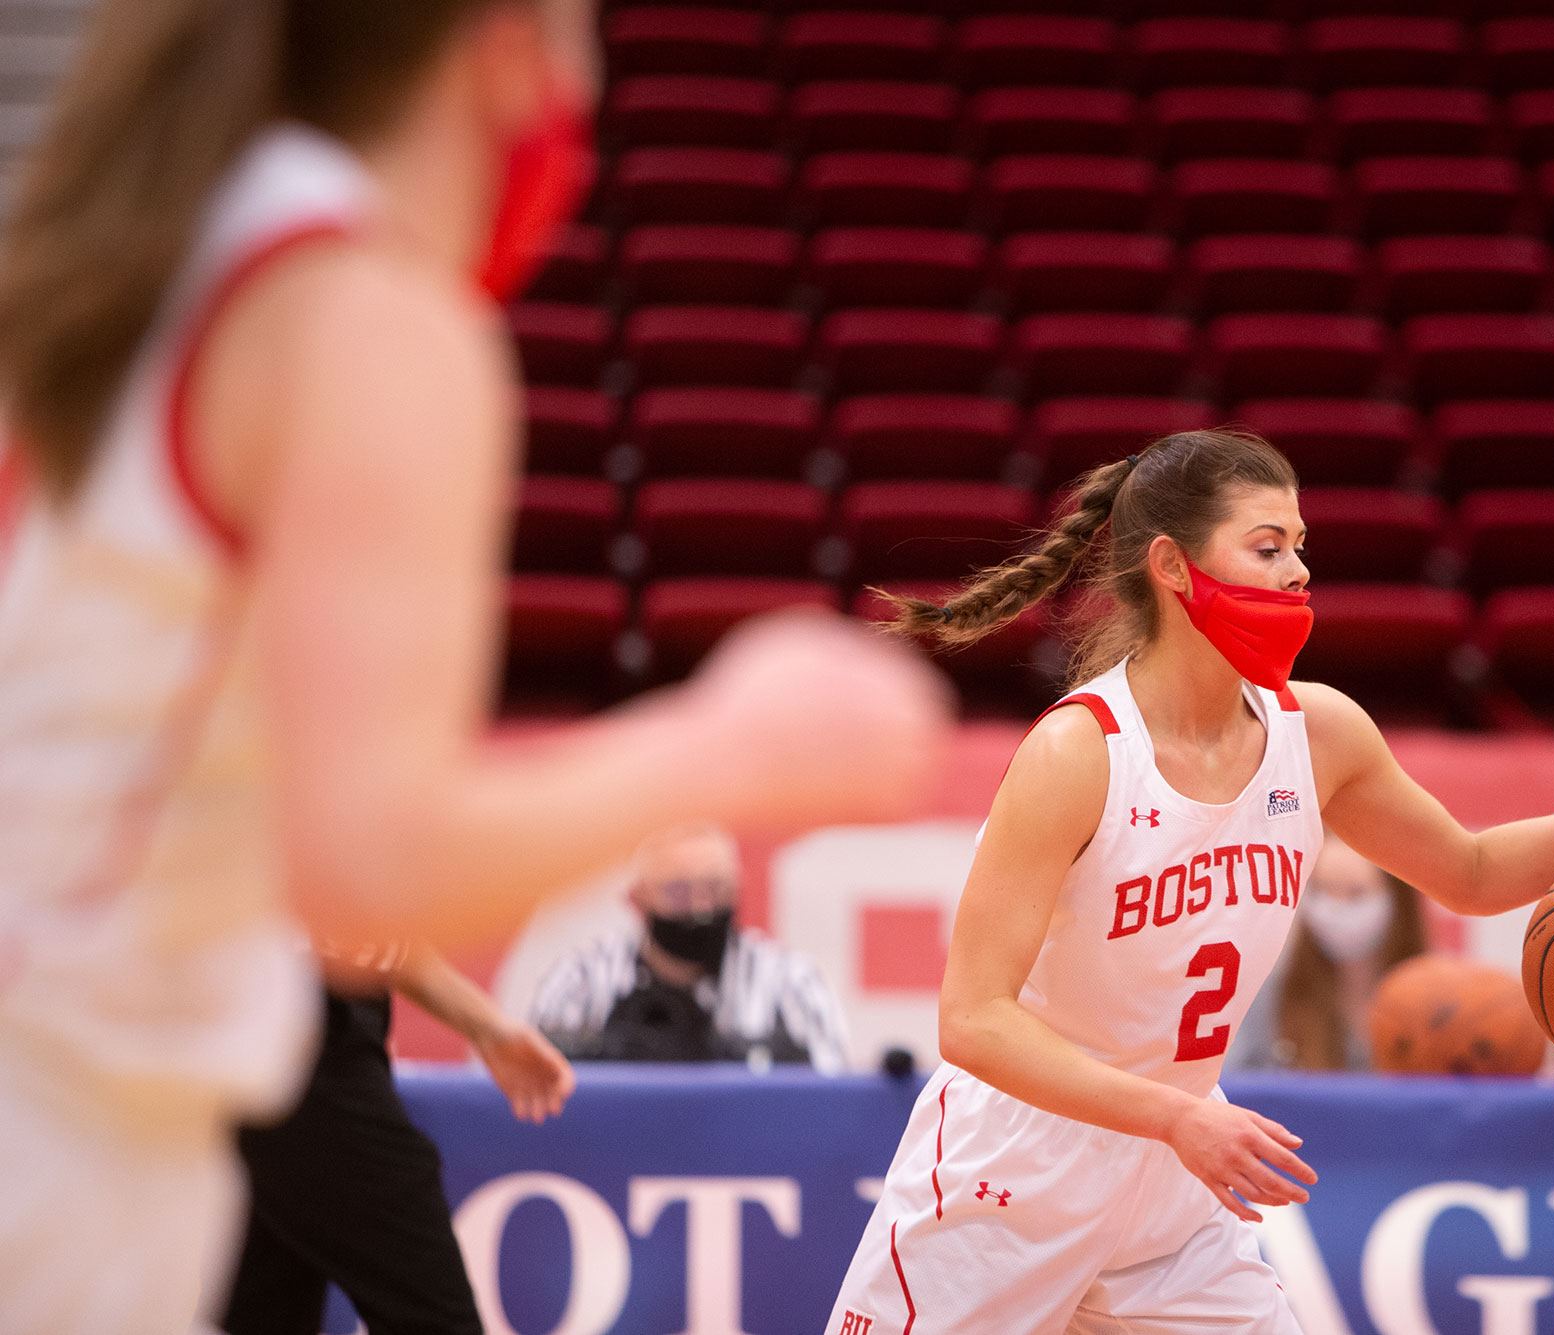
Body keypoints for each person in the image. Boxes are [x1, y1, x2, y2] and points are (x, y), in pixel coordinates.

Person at [0, 2, 946, 1330]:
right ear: (513, 47)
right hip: (66, 1147)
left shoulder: (147, 269)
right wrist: (734, 742)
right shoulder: (363, 314)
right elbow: (366, 868)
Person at [824, 430, 1554, 1335]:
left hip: (1176, 1181)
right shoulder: (1079, 753)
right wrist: (1176, 1115)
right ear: (1174, 567)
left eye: (1300, 547)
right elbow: (973, 1018)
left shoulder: (1319, 732)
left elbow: (1468, 873)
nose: (1299, 570)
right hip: (1017, 1171)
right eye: (1267, 546)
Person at [224, 941, 572, 1335]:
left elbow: (364, 925)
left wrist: (489, 1028)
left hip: (287, 1036)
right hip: (289, 1044)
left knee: (262, 1312)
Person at [528, 824, 851, 1070]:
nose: (700, 909)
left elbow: (833, 1101)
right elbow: (525, 1091)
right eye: (679, 892)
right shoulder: (581, 980)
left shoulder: (792, 982)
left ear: (739, 887)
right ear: (637, 898)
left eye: (716, 889)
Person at [1225, 836, 1426, 1073]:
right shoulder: (1271, 991)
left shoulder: (1433, 999)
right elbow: (1238, 1086)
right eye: (1321, 890)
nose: (1335, 908)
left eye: (1355, 893)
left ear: (1398, 901)